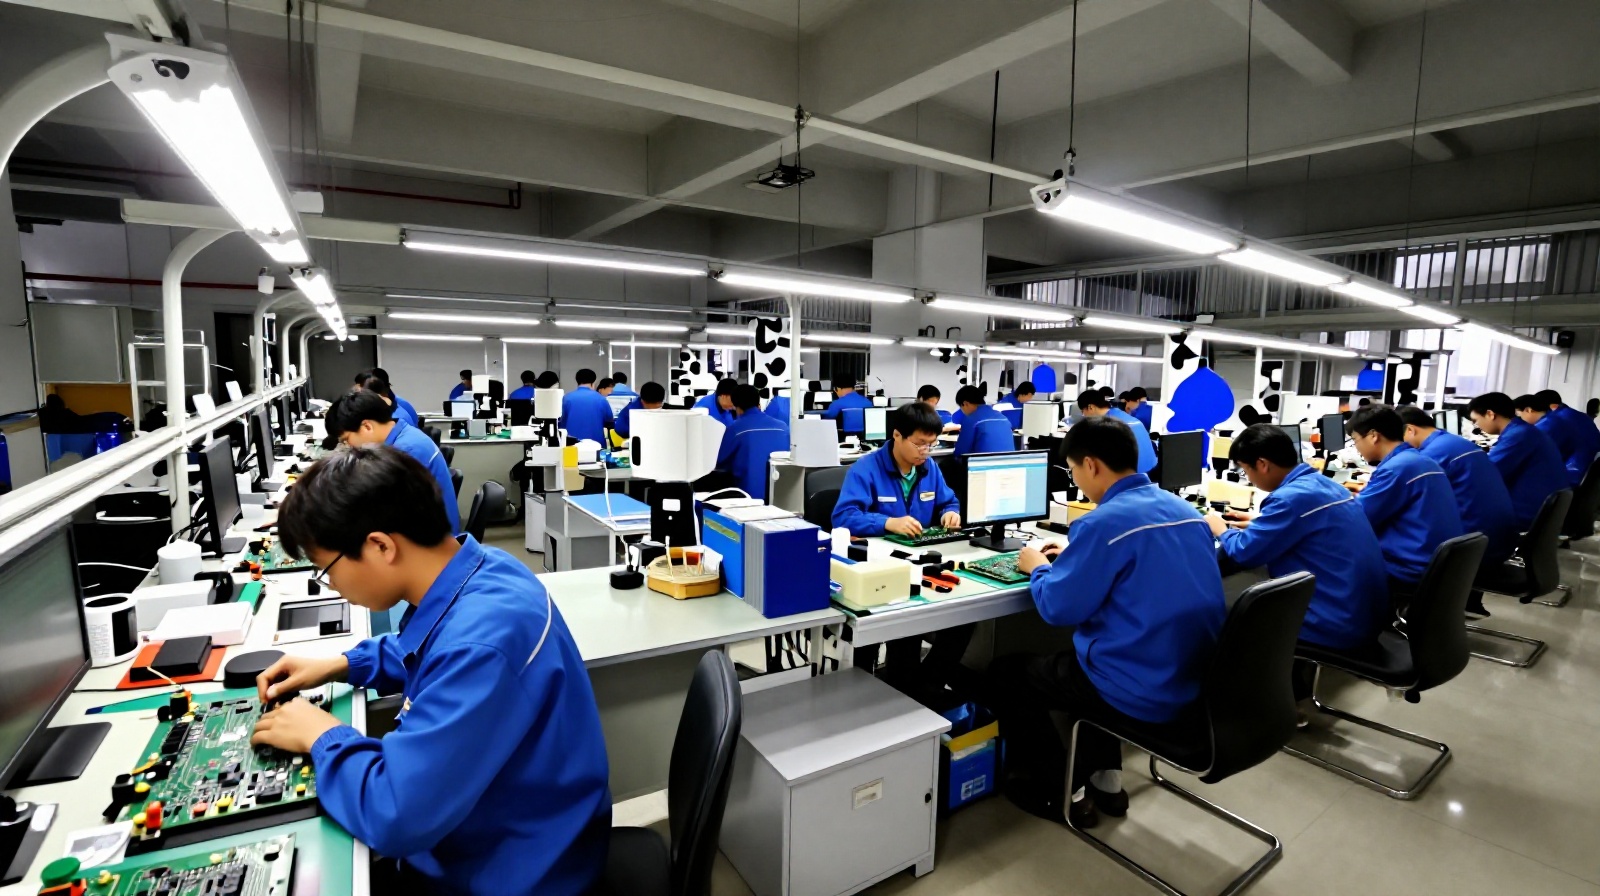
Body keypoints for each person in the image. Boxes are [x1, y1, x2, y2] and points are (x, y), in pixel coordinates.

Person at [251, 447, 610, 896]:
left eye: (328, 571)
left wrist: (321, 734)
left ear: (381, 546)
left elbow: (394, 814)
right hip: (516, 831)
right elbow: (429, 647)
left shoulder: (480, 645)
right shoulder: (486, 567)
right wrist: (344, 664)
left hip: (516, 874)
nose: (335, 588)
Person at [990, 416, 1225, 827]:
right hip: (1192, 679)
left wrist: (1037, 567)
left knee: (1008, 674)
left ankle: (1062, 790)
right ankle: (1109, 785)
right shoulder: (1185, 510)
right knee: (1084, 665)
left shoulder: (1102, 524)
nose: (1077, 480)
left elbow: (1057, 609)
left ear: (1092, 465)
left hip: (1137, 685)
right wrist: (1072, 562)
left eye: (1074, 470)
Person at [1208, 424, 1389, 649]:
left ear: (1262, 464)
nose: (1250, 478)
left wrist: (1221, 529)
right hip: (1364, 612)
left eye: (1246, 471)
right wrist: (1261, 524)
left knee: (1223, 612)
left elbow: (1244, 552)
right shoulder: (1323, 484)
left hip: (1336, 622)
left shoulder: (1289, 499)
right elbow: (1305, 525)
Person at [1346, 405, 1462, 601]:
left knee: (1325, 558)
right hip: (1436, 563)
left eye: (1355, 440)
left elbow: (1357, 520)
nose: (1356, 447)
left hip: (1409, 567)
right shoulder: (1420, 460)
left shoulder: (1397, 469)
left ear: (1373, 435)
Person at [1397, 406, 1518, 567]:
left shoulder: (1432, 454)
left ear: (1410, 430)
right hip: (1495, 538)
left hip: (1473, 547)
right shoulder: (1453, 442)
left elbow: (1400, 497)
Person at [326, 390, 460, 535]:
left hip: (433, 543)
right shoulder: (401, 435)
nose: (348, 446)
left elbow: (384, 512)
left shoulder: (405, 451)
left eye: (346, 439)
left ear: (367, 427)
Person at [833, 402, 960, 537]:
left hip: (921, 549)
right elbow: (844, 517)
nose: (925, 451)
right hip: (881, 552)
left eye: (931, 444)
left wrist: (950, 513)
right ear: (897, 435)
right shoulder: (865, 469)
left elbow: (948, 502)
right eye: (920, 444)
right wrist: (888, 523)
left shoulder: (930, 468)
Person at [1467, 391, 1567, 531]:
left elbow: (1487, 475)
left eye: (1475, 421)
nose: (1476, 426)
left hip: (1525, 512)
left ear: (1490, 414)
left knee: (1458, 511)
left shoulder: (1518, 435)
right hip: (1540, 506)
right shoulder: (1522, 430)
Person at [715, 385, 789, 500]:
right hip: (782, 497)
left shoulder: (735, 429)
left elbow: (720, 461)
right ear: (758, 402)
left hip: (749, 499)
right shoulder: (783, 427)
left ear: (736, 406)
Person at [1076, 390, 1155, 474]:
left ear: (1091, 407)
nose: (1084, 416)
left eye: (1083, 412)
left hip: (1133, 476)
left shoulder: (1107, 424)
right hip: (1152, 471)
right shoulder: (1121, 415)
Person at [1537, 389, 1600, 486]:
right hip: (1589, 479)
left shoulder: (1553, 420)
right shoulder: (1583, 417)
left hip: (1569, 478)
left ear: (1552, 407)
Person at [951, 385, 1013, 456]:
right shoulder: (1003, 418)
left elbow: (960, 452)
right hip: (1009, 463)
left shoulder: (971, 419)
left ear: (965, 404)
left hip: (983, 465)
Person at [559, 369, 614, 444]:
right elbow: (609, 422)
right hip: (596, 445)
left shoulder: (566, 398)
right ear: (593, 382)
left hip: (571, 445)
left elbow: (561, 421)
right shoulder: (601, 399)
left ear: (577, 381)